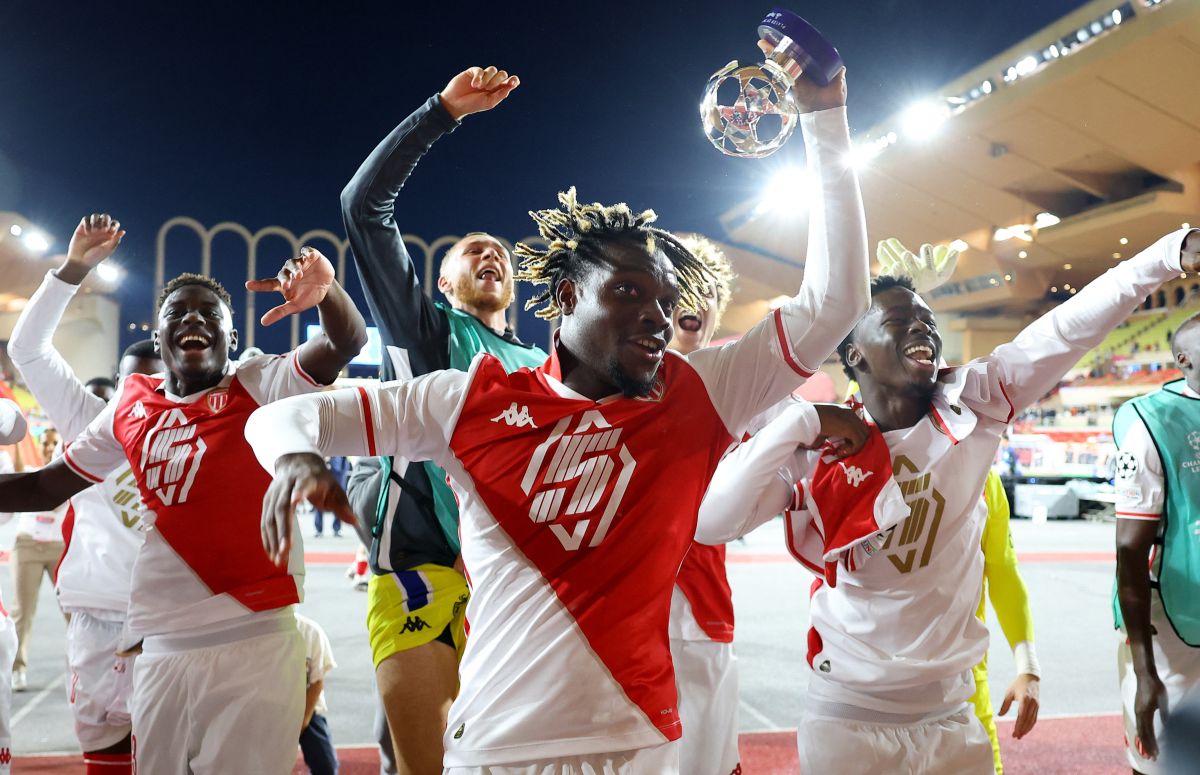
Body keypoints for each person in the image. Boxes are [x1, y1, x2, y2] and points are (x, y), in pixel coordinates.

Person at [249, 60, 869, 773]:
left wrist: (826, 115)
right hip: (496, 749)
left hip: (644, 747)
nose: (658, 318)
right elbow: (283, 420)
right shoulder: (468, 396)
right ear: (568, 297)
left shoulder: (696, 392)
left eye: (667, 303)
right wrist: (296, 457)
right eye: (631, 291)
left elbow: (834, 302)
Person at [697, 228, 1200, 774]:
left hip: (955, 716)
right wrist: (802, 419)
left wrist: (1165, 255)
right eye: (897, 321)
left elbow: (1068, 328)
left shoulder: (976, 404)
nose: (922, 328)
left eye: (929, 322)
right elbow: (712, 522)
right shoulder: (821, 448)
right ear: (853, 354)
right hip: (849, 718)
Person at [0, 225, 366, 774]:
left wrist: (329, 293)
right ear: (160, 333)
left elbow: (345, 343)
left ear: (231, 339)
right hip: (161, 643)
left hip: (256, 635)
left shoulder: (261, 383)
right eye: (177, 312)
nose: (192, 318)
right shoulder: (128, 403)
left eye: (208, 313)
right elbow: (49, 485)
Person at [340, 65, 547, 774]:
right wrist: (441, 112)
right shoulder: (425, 332)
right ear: (443, 281)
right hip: (425, 567)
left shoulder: (542, 364)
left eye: (500, 253)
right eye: (470, 251)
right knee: (425, 761)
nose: (488, 253)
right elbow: (362, 207)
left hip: (519, 581)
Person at [7, 213, 164, 772]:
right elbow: (28, 351)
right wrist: (72, 269)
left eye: (155, 383)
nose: (141, 394)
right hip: (98, 615)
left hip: (176, 621)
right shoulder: (89, 420)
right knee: (106, 754)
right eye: (131, 383)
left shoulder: (199, 430)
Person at [664, 235, 742, 775]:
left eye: (706, 288)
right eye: (680, 282)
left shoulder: (744, 383)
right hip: (604, 610)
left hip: (698, 613)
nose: (695, 296)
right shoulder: (595, 375)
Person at [1113, 310, 1200, 774]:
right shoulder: (1151, 425)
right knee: (1165, 758)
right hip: (1170, 623)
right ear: (1185, 358)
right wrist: (1144, 672)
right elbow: (1129, 554)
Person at [972, 471, 1041, 774]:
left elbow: (1003, 573)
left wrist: (1029, 667)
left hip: (962, 695)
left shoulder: (982, 478)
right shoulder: (860, 462)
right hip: (870, 699)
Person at [9, 430, 67, 693]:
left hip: (58, 547)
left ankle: (81, 664)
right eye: (45, 442)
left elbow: (54, 504)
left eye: (54, 443)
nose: (49, 447)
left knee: (73, 610)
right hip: (28, 546)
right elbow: (19, 469)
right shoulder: (32, 470)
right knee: (22, 611)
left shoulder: (69, 473)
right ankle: (17, 669)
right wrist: (19, 439)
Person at [296, 612, 339, 775]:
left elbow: (317, 682)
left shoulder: (310, 632)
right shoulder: (262, 635)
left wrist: (303, 722)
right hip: (273, 709)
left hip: (307, 708)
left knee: (326, 767)